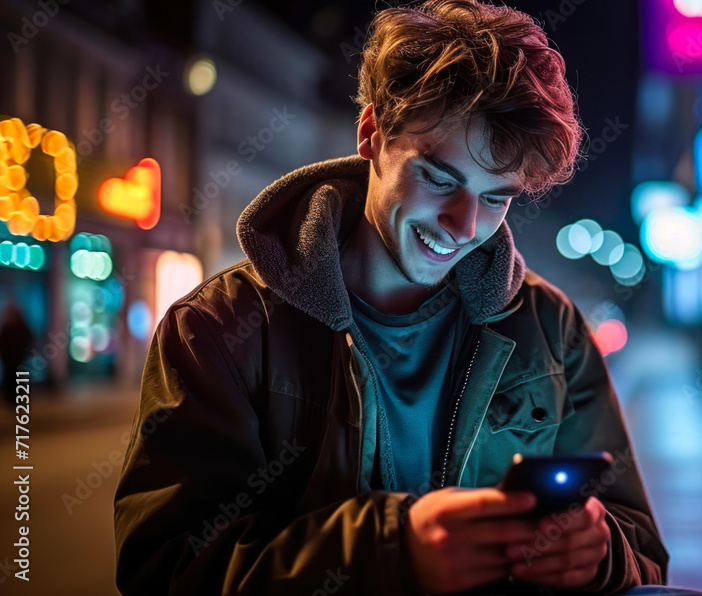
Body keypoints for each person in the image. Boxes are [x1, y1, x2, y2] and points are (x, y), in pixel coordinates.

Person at [113, 1, 669, 594]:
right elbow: (163, 567)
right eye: (438, 178)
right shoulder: (216, 329)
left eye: (496, 197)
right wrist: (389, 553)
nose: (464, 224)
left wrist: (601, 554)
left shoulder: (553, 329)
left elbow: (643, 553)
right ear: (371, 134)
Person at [0, 302, 34, 407]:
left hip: (19, 358)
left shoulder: (21, 327)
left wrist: (22, 351)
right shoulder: (7, 328)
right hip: (9, 359)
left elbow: (28, 338)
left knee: (19, 379)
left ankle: (19, 398)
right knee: (10, 379)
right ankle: (10, 399)